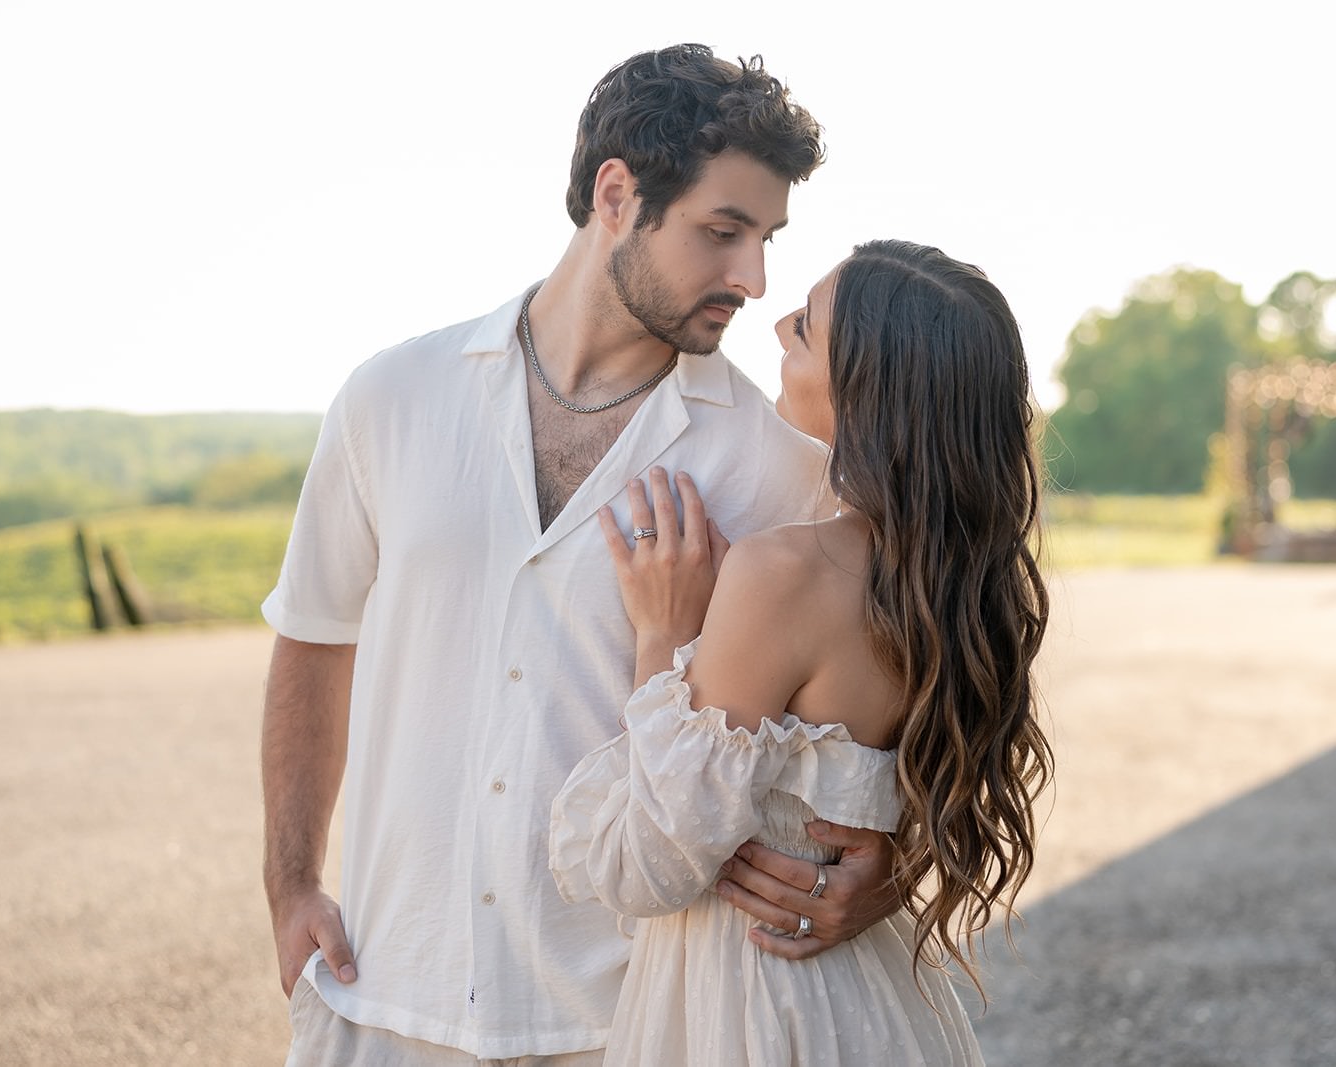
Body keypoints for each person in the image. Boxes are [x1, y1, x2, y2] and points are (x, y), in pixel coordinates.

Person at [260, 45, 903, 1065]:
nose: (752, 276)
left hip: (625, 1024)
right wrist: (290, 880)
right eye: (722, 231)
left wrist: (908, 861)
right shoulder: (391, 396)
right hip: (377, 998)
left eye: (767, 237)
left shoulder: (781, 467)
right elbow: (313, 635)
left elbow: (931, 664)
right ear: (617, 193)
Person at [550, 239, 1053, 1065]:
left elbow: (647, 865)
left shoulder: (784, 571)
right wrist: (891, 871)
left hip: (752, 1008)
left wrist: (663, 636)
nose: (779, 322)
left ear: (867, 388)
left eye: (808, 328)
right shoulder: (961, 586)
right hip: (878, 1005)